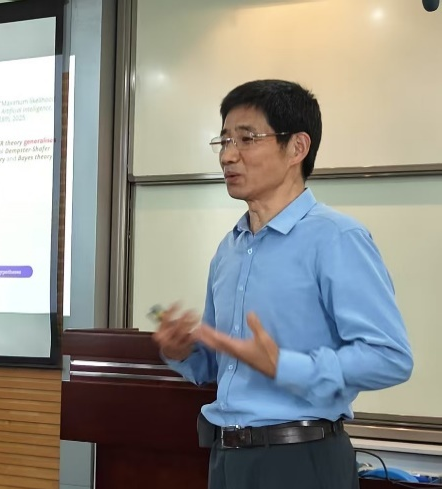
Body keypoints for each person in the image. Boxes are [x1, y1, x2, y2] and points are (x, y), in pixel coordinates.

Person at [152, 79, 414, 489]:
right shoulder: (230, 248)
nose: (228, 155)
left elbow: (390, 357)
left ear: (297, 148)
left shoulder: (336, 238)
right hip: (226, 457)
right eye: (224, 141)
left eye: (246, 139)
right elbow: (220, 366)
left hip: (300, 459)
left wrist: (285, 366)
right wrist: (182, 351)